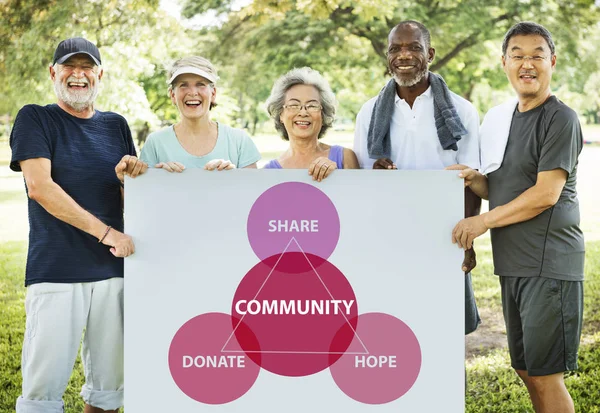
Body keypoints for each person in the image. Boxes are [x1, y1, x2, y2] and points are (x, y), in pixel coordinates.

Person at [453, 22, 584, 413]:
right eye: (518, 56)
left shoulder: (561, 118)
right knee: (527, 370)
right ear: (504, 62)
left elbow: (545, 195)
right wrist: (473, 178)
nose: (527, 64)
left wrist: (482, 222)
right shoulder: (503, 119)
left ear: (552, 62)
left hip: (549, 266)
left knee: (546, 375)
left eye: (537, 55)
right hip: (514, 265)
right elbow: (503, 188)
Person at [9, 37, 145, 413]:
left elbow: (130, 201)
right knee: (42, 394)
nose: (79, 75)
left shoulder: (116, 125)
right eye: (70, 66)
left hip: (112, 271)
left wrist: (124, 181)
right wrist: (106, 233)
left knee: (108, 390)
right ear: (54, 73)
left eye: (88, 68)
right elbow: (40, 188)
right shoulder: (35, 117)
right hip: (57, 271)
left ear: (100, 76)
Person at [353, 20, 481, 334]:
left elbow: (473, 182)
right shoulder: (369, 113)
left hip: (444, 236)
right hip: (387, 238)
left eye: (414, 47)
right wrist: (376, 173)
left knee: (446, 332)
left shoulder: (463, 112)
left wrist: (466, 242)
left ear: (431, 53)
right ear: (387, 56)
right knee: (390, 326)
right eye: (395, 49)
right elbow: (359, 181)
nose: (404, 55)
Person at [140, 56, 260, 172]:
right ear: (172, 95)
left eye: (200, 84)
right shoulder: (155, 143)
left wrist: (233, 176)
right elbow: (142, 190)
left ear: (213, 93)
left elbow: (253, 190)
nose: (192, 92)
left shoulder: (239, 141)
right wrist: (158, 177)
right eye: (183, 85)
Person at [264, 67, 359, 180]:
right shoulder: (269, 171)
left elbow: (357, 195)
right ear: (281, 115)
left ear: (323, 115)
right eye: (294, 105)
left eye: (312, 106)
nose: (303, 112)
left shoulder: (345, 157)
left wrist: (337, 176)